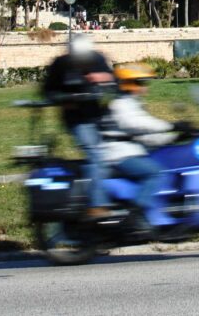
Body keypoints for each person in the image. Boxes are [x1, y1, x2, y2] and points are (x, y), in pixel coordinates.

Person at [102, 63, 189, 234]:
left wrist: (174, 137)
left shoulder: (131, 104)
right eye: (140, 83)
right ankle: (137, 215)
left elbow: (146, 136)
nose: (144, 89)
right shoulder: (120, 104)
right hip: (118, 153)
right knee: (155, 173)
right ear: (129, 84)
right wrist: (171, 125)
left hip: (130, 150)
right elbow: (136, 125)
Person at [42, 35, 115, 218]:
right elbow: (47, 91)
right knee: (95, 154)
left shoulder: (97, 59)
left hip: (98, 114)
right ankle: (97, 205)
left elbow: (113, 80)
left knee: (116, 153)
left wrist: (101, 77)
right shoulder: (60, 64)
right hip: (76, 119)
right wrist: (64, 99)